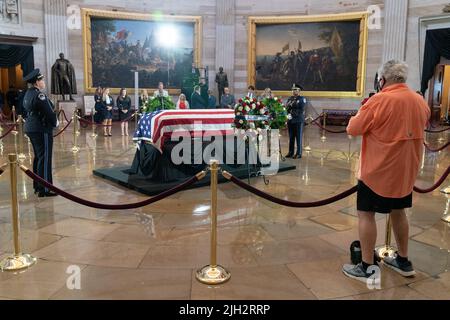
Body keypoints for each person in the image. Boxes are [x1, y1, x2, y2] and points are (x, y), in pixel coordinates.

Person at [342, 60, 430, 282]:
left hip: (378, 171)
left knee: (366, 214)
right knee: (399, 212)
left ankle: (367, 266)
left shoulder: (379, 100)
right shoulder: (419, 101)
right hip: (405, 172)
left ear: (383, 79)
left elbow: (353, 128)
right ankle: (403, 260)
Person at [22, 69, 58, 197]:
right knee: (45, 157)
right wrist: (55, 123)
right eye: (41, 80)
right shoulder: (39, 95)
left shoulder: (28, 93)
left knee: (38, 157)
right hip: (41, 129)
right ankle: (45, 188)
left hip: (31, 128)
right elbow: (49, 112)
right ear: (37, 82)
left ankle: (38, 186)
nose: (43, 82)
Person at [285, 83, 306, 159]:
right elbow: (287, 107)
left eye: (295, 90)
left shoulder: (302, 99)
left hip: (298, 120)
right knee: (291, 137)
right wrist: (287, 114)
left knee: (298, 137)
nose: (294, 91)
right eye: (293, 90)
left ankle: (299, 153)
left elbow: (301, 110)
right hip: (290, 121)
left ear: (299, 90)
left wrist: (292, 114)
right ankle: (291, 152)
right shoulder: (290, 98)